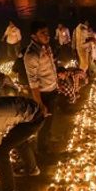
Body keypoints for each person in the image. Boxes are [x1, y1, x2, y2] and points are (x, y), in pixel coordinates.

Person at [24, 21, 58, 149]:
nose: (47, 35)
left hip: (53, 89)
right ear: (33, 36)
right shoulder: (31, 55)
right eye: (42, 33)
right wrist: (40, 104)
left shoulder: (46, 47)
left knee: (49, 121)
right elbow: (33, 83)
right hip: (44, 94)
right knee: (42, 122)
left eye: (47, 32)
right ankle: (42, 150)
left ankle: (47, 140)